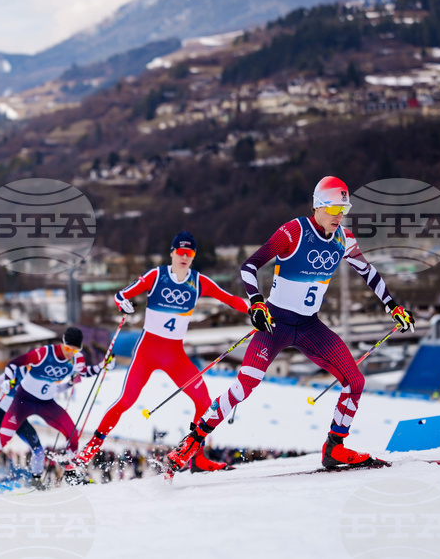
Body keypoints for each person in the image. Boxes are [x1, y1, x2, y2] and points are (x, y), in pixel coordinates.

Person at [166, 176, 415, 473]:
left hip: (310, 326)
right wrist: (257, 302)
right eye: (334, 209)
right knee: (244, 386)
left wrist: (393, 305)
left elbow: (369, 273)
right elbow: (249, 266)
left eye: (343, 209)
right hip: (276, 323)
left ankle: (335, 447)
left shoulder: (344, 239)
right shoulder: (293, 232)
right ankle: (192, 441)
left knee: (355, 382)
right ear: (318, 206)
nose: (339, 216)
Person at [73, 231, 248, 472]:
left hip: (175, 355)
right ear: (172, 253)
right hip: (147, 352)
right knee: (126, 400)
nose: (185, 256)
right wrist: (122, 301)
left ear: (193, 255)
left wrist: (257, 308)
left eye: (190, 253)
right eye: (180, 252)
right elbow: (122, 294)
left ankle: (196, 458)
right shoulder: (157, 276)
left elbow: (230, 299)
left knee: (204, 401)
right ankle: (89, 451)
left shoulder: (198, 282)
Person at [0, 327, 107, 490]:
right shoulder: (25, 367)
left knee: (45, 445)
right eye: (69, 349)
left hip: (30, 410)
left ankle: (45, 479)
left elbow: (57, 386)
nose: (71, 353)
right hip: (2, 411)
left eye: (75, 350)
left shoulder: (72, 361)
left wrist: (100, 367)